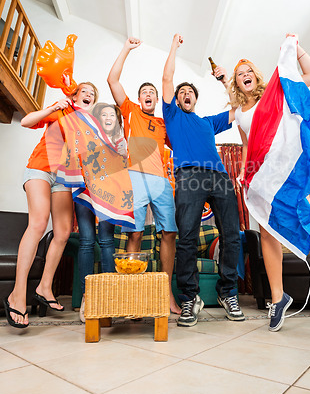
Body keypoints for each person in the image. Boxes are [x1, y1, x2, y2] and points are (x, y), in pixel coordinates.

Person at [214, 33, 310, 331]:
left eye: (248, 72)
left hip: (287, 171)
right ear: (238, 84)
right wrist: (243, 173)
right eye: (239, 75)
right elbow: (248, 145)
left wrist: (298, 48)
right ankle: (278, 298)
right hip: (261, 178)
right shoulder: (239, 113)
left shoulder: (276, 93)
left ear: (256, 76)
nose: (244, 76)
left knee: (305, 218)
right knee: (267, 232)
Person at [162, 34, 245, 327]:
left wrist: (225, 81)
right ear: (176, 99)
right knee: (186, 237)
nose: (185, 94)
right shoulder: (171, 115)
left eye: (190, 92)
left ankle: (228, 293)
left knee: (232, 235)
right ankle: (189, 299)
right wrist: (173, 47)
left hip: (220, 177)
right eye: (182, 92)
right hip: (189, 176)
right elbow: (168, 78)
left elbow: (239, 109)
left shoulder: (208, 122)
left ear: (196, 99)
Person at [4, 82, 98, 328]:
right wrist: (52, 107)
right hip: (40, 169)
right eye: (84, 91)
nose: (88, 95)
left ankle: (44, 286)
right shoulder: (61, 111)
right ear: (75, 96)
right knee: (38, 223)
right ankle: (18, 294)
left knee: (64, 232)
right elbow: (26, 121)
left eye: (92, 94)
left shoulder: (89, 127)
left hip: (64, 178)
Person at [107, 37, 181, 314]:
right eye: (145, 92)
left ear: (157, 98)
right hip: (135, 179)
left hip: (161, 182)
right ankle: (131, 293)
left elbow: (182, 145)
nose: (149, 94)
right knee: (135, 234)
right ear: (140, 98)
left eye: (153, 92)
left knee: (169, 233)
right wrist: (125, 48)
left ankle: (166, 292)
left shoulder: (163, 124)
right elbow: (112, 80)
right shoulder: (131, 112)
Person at [76, 103, 127, 323]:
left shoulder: (121, 141)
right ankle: (88, 296)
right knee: (87, 241)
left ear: (117, 120)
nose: (108, 117)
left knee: (107, 241)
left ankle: (109, 296)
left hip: (108, 195)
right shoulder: (87, 136)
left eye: (112, 115)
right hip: (85, 191)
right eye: (103, 114)